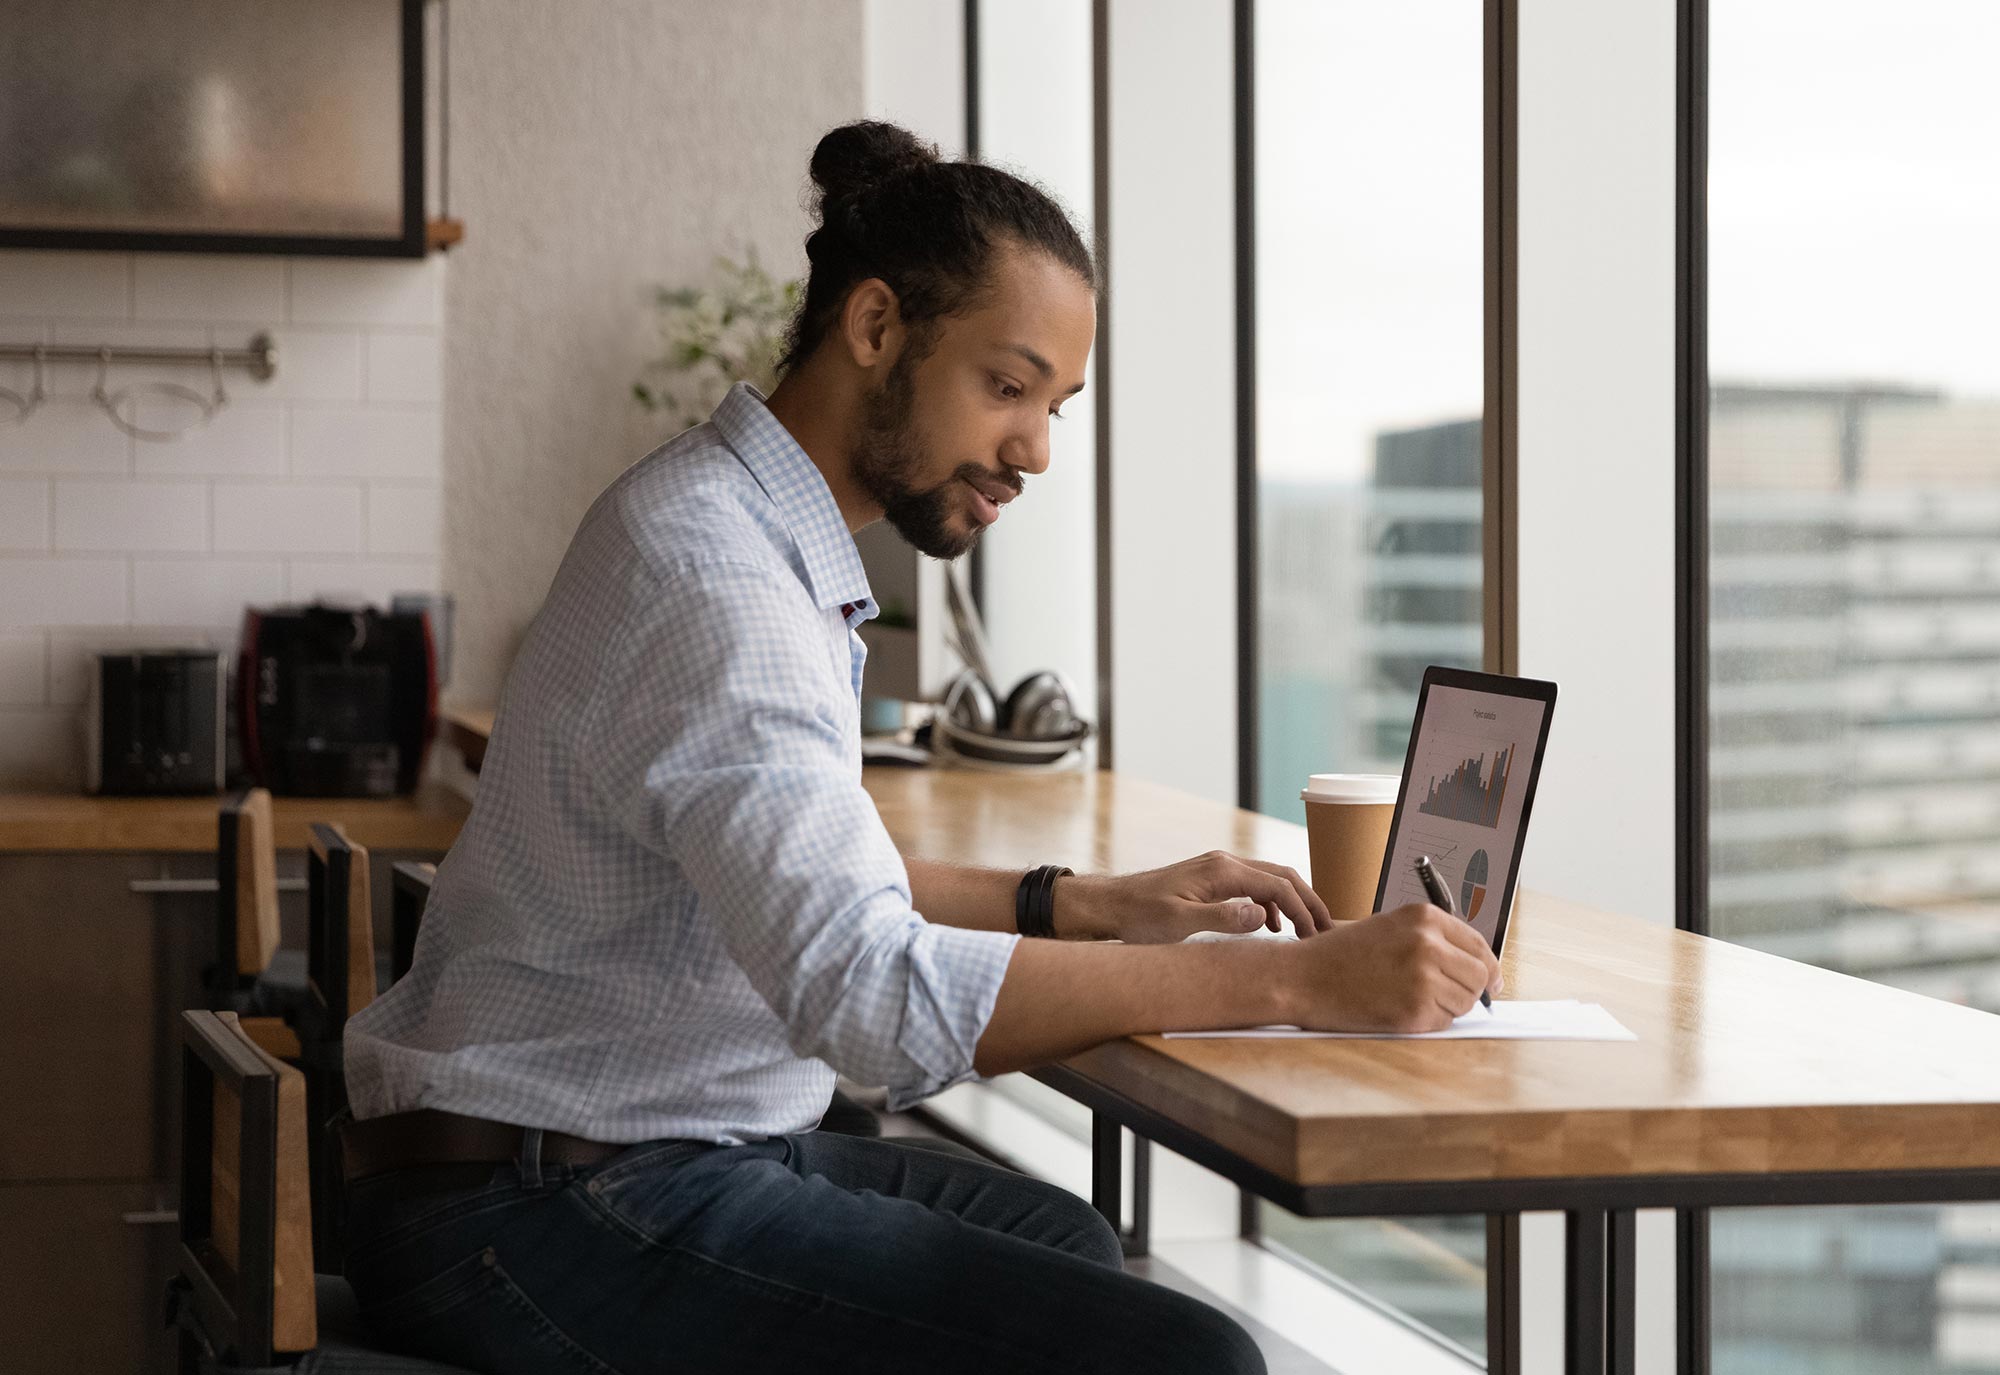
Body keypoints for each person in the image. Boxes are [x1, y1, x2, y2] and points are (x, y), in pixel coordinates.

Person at [340, 120, 1499, 1375]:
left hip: (610, 1143)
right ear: (877, 326)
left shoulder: (746, 534)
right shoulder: (715, 580)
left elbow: (814, 885)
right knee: (1185, 1359)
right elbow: (871, 1002)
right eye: (1006, 388)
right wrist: (1299, 983)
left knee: (1064, 1240)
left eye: (1053, 404)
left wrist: (1086, 903)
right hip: (541, 1203)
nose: (1034, 450)